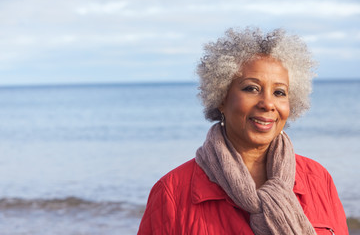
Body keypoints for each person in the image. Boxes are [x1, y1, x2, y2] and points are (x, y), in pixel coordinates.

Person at [137, 27, 348, 235]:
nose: (267, 103)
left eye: (279, 92)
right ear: (221, 98)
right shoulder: (172, 191)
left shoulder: (318, 179)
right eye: (251, 88)